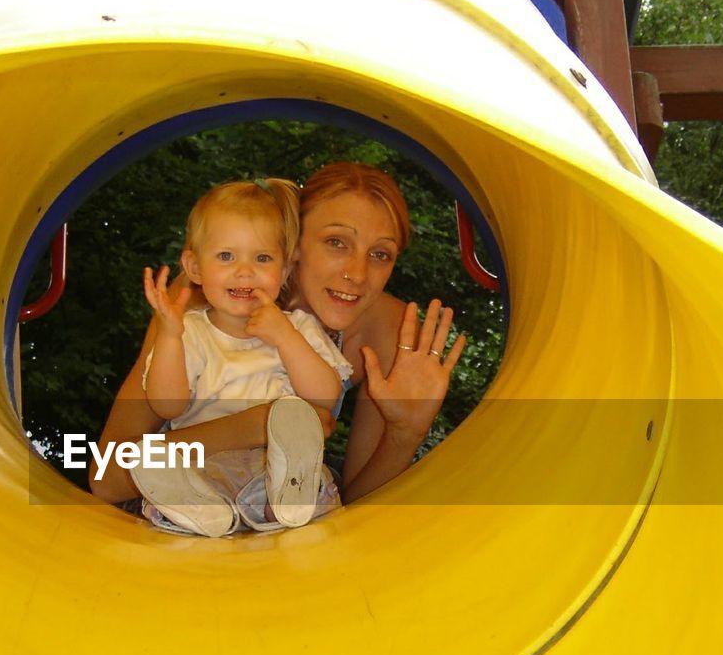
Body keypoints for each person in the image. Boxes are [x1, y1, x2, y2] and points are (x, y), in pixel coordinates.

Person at [91, 161, 467, 513]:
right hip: (185, 497)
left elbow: (357, 509)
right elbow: (107, 478)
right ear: (293, 244)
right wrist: (258, 426)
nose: (357, 273)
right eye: (336, 242)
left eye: (381, 254)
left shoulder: (388, 331)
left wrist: (406, 432)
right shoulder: (201, 299)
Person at [134, 178, 353, 536]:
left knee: (298, 470)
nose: (244, 270)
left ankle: (279, 503)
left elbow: (325, 397)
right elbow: (166, 405)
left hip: (280, 467)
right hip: (205, 468)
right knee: (156, 461)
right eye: (226, 256)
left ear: (283, 272)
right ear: (194, 268)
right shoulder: (191, 332)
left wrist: (286, 338)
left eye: (262, 258)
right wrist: (170, 337)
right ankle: (205, 512)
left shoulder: (297, 328)